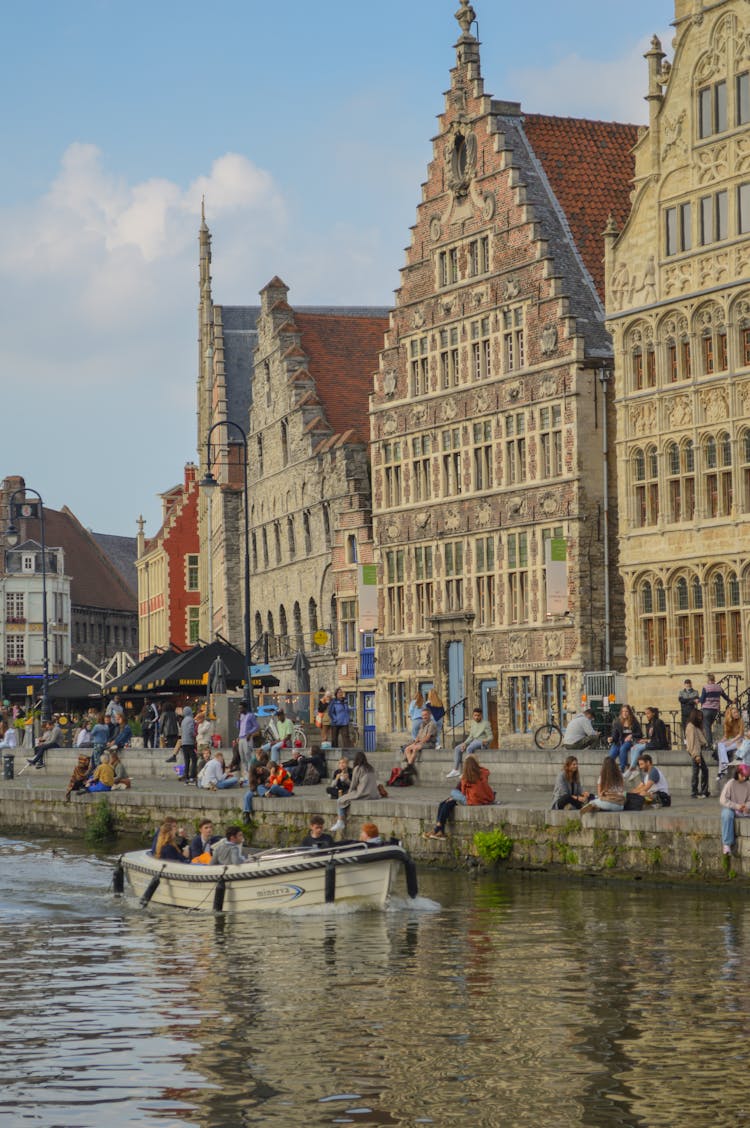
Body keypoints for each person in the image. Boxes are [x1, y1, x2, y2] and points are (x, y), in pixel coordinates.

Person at [424, 754, 495, 839]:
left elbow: (463, 792)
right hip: (483, 798)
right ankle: (439, 831)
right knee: (444, 803)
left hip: (472, 800)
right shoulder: (483, 772)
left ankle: (438, 829)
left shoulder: (466, 777)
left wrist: (455, 796)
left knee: (453, 793)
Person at [330, 751, 380, 833]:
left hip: (363, 793)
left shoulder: (357, 768)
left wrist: (349, 793)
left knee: (340, 800)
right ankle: (340, 822)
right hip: (374, 794)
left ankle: (340, 821)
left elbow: (353, 784)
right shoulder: (371, 768)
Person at [447, 707, 493, 778]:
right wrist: (464, 743)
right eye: (475, 715)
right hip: (474, 741)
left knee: (469, 748)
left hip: (481, 742)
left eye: (478, 715)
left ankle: (467, 772)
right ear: (473, 715)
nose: (476, 717)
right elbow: (471, 736)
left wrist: (485, 741)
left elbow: (491, 737)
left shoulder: (486, 723)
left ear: (481, 715)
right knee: (457, 748)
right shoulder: (473, 723)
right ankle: (456, 770)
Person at [625, 705, 670, 776]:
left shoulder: (658, 722)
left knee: (637, 748)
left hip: (658, 744)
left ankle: (632, 768)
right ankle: (634, 768)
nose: (647, 715)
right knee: (633, 747)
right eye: (646, 714)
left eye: (648, 713)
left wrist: (647, 741)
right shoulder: (649, 724)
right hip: (652, 743)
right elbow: (650, 737)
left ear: (653, 713)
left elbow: (660, 738)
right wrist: (644, 740)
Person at [720, 762, 750, 855]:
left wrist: (747, 806)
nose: (744, 778)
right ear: (738, 773)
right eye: (743, 775)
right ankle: (727, 844)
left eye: (746, 776)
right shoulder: (731, 783)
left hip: (744, 810)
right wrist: (736, 806)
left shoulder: (748, 784)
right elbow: (723, 799)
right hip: (732, 808)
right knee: (727, 815)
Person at [607, 705, 642, 772]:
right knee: (611, 756)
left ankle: (622, 769)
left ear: (629, 712)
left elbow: (640, 734)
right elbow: (614, 735)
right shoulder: (617, 722)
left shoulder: (634, 722)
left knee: (623, 748)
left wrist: (631, 735)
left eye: (626, 711)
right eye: (623, 711)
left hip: (630, 741)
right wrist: (611, 739)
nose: (624, 713)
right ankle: (607, 771)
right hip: (618, 742)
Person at [700, 674, 730, 751]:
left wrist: (697, 700)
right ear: (714, 679)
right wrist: (730, 701)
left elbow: (702, 699)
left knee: (707, 728)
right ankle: (708, 743)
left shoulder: (706, 687)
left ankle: (709, 745)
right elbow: (724, 696)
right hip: (715, 710)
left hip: (706, 709)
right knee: (708, 727)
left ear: (708, 680)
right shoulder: (718, 687)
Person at [685, 706, 710, 798]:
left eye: (701, 716)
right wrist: (696, 755)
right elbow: (693, 741)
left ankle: (700, 790)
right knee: (699, 771)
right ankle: (696, 791)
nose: (700, 718)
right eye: (699, 716)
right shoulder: (691, 727)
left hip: (697, 751)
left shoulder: (695, 726)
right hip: (695, 751)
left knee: (700, 770)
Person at [717, 705, 743, 783]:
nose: (737, 714)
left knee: (721, 748)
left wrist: (731, 742)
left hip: (739, 740)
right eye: (734, 713)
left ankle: (721, 770)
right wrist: (721, 741)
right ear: (730, 715)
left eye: (737, 712)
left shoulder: (740, 720)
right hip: (733, 740)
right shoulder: (727, 722)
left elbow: (740, 734)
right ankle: (724, 764)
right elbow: (726, 736)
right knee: (720, 745)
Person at [238, 705, 260, 782]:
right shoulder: (241, 716)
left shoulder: (250, 716)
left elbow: (256, 726)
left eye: (241, 708)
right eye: (239, 708)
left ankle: (250, 774)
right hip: (241, 737)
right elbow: (238, 727)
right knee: (242, 757)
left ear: (245, 708)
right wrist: (238, 720)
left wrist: (250, 733)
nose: (240, 710)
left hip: (247, 738)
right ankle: (245, 774)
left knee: (248, 756)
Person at [181, 705, 197, 784]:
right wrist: (194, 735)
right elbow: (191, 730)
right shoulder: (191, 720)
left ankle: (186, 777)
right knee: (194, 759)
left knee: (186, 760)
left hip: (183, 743)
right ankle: (192, 776)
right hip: (190, 742)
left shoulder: (183, 721)